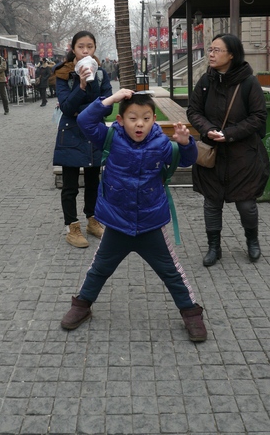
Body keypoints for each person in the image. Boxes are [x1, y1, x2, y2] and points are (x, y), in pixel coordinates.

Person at [60, 89, 207, 343]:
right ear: (120, 121)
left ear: (154, 120)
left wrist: (185, 143)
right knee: (99, 268)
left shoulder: (161, 143)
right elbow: (84, 120)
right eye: (133, 118)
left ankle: (191, 312)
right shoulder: (110, 137)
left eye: (147, 118)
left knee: (171, 272)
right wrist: (111, 99)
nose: (140, 124)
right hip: (117, 224)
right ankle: (82, 305)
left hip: (151, 225)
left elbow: (187, 160)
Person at [187, 34, 270, 266]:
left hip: (243, 156)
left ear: (231, 54)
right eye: (210, 49)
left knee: (246, 203)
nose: (211, 54)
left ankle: (252, 241)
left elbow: (259, 116)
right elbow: (193, 111)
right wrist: (209, 129)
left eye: (217, 50)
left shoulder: (249, 82)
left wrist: (230, 134)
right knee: (212, 202)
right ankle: (214, 247)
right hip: (212, 154)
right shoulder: (206, 80)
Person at [53, 31, 113, 248]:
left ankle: (93, 220)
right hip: (70, 133)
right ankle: (72, 226)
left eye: (89, 46)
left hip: (93, 134)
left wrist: (91, 82)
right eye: (81, 47)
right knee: (70, 185)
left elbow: (107, 107)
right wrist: (81, 85)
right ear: (73, 48)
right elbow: (67, 107)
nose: (85, 51)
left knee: (93, 182)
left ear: (95, 48)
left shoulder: (101, 74)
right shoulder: (62, 73)